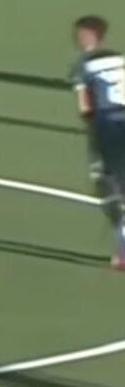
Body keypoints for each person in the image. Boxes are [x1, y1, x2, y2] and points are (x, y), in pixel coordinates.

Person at [70, 15, 125, 267]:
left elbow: (85, 108)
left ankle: (122, 252)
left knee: (108, 186)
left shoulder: (83, 65)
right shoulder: (120, 59)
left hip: (107, 127)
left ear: (84, 35)